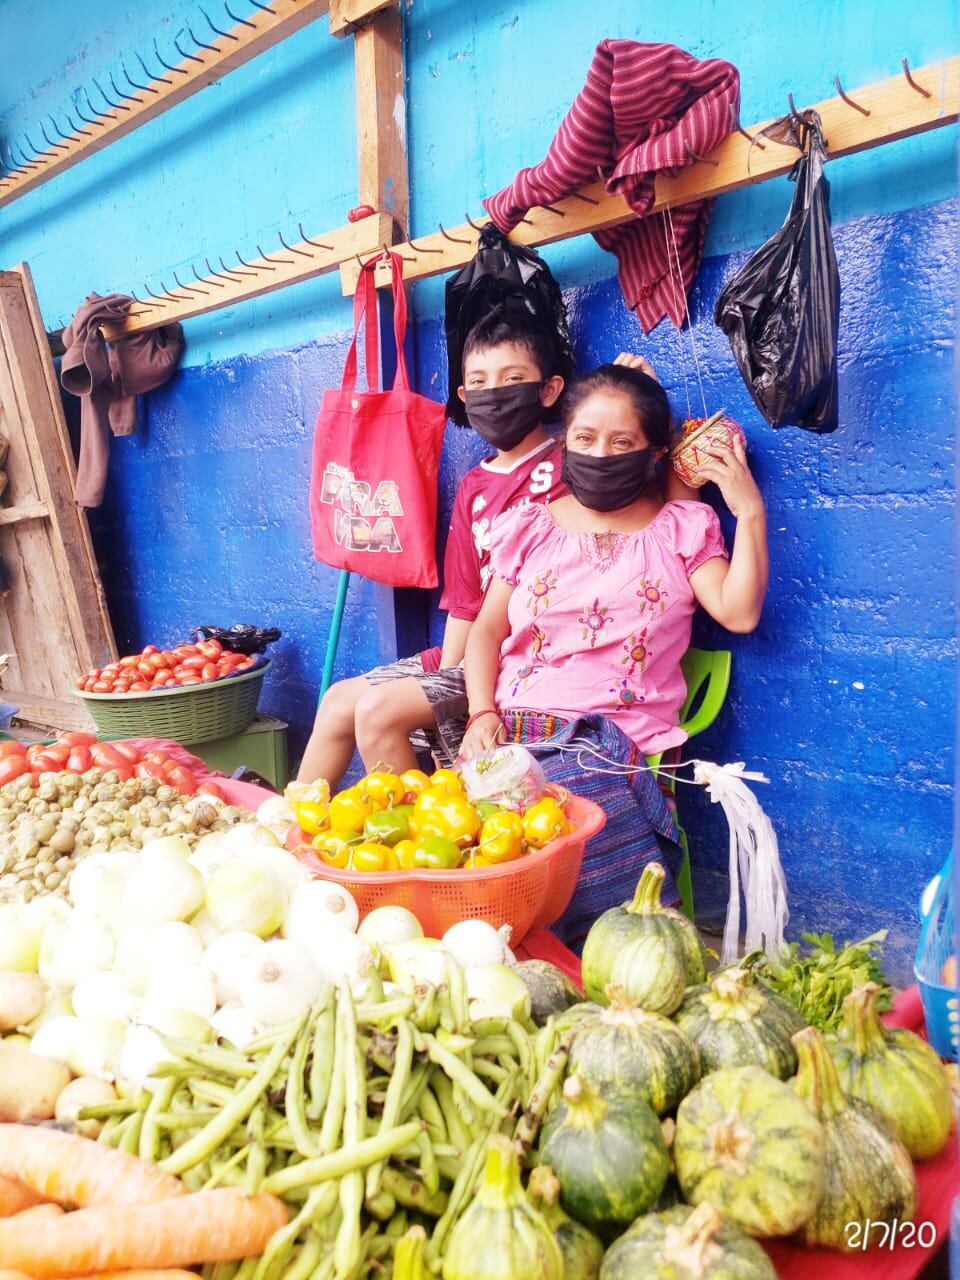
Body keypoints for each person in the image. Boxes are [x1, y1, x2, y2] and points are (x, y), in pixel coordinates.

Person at [459, 362, 768, 947]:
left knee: (548, 825)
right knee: (458, 827)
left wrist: (748, 510)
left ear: (654, 453)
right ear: (564, 444)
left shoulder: (681, 529)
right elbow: (485, 631)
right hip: (514, 734)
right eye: (585, 437)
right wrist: (480, 714)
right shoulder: (528, 527)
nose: (600, 454)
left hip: (617, 747)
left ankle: (579, 952)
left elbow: (739, 611)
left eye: (622, 442)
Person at [296, 310, 567, 786]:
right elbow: (464, 601)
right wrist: (443, 681)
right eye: (479, 383)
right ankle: (289, 820)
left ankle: (428, 826)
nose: (494, 393)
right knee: (338, 703)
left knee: (379, 710)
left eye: (511, 379)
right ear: (463, 397)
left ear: (548, 389)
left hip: (522, 651)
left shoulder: (570, 464)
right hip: (465, 653)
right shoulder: (474, 486)